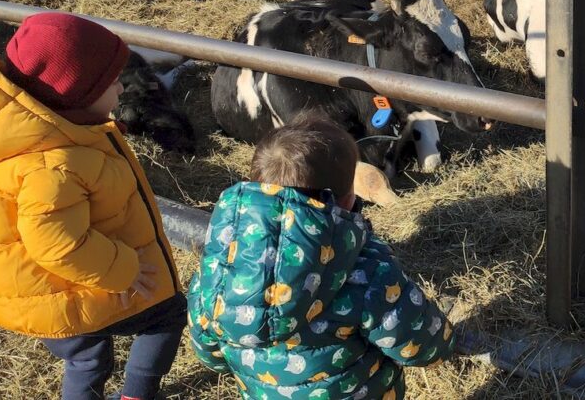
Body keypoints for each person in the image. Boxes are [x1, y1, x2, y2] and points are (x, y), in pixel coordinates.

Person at [188, 115, 455, 399]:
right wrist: (447, 341)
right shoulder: (366, 269)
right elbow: (422, 344)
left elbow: (209, 355)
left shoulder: (217, 271)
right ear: (344, 200)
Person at [0, 12, 185, 400]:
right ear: (76, 94)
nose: (121, 89)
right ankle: (138, 393)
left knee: (87, 358)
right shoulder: (53, 164)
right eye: (112, 82)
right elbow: (55, 243)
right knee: (168, 314)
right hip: (61, 291)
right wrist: (123, 270)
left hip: (37, 292)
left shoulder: (43, 133)